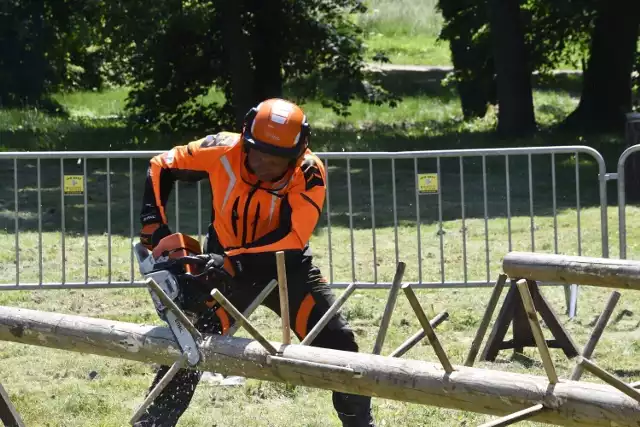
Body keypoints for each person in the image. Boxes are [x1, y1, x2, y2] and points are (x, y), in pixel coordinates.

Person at [136, 98, 376, 427]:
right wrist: (153, 225)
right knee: (189, 342)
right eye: (258, 151)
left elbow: (293, 240)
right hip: (219, 267)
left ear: (297, 155)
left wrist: (232, 262)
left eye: (277, 159)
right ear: (245, 139)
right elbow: (161, 165)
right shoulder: (221, 148)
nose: (264, 163)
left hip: (286, 270)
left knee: (341, 347)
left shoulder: (310, 173)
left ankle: (360, 424)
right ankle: (152, 423)